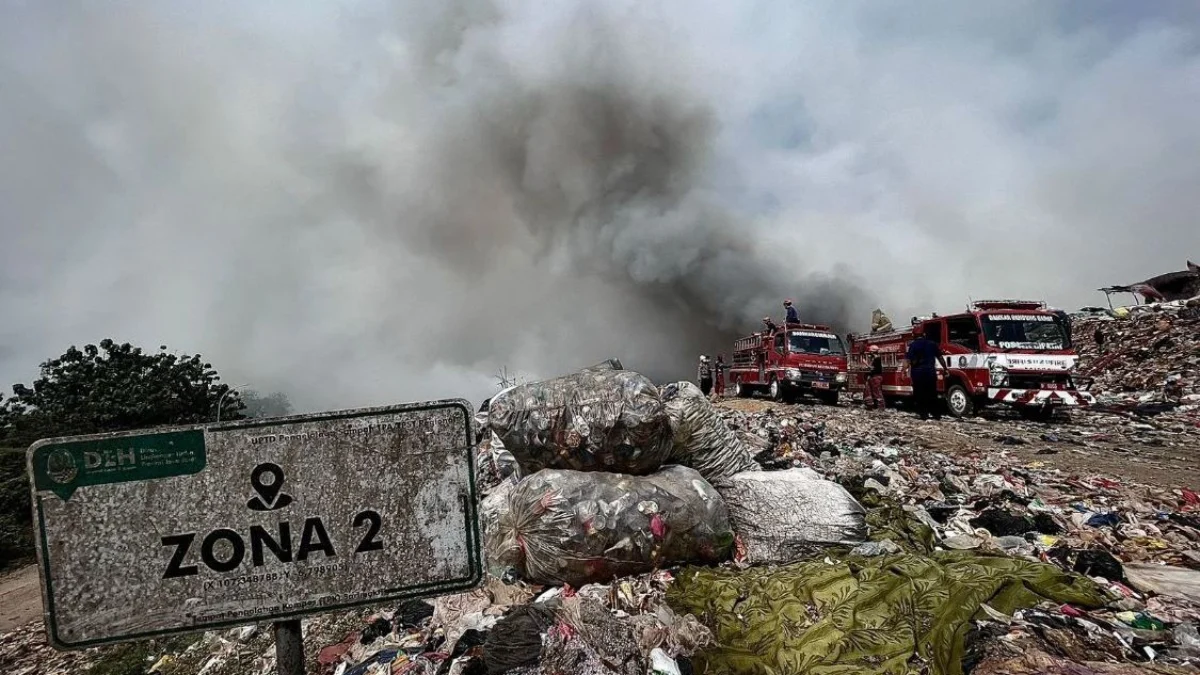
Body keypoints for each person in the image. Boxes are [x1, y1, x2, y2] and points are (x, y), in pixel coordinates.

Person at [905, 326, 949, 420]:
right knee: (932, 394)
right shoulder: (932, 344)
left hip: (918, 374)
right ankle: (936, 415)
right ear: (924, 334)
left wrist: (904, 370)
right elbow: (940, 357)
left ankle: (924, 415)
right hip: (930, 373)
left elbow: (908, 360)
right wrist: (945, 368)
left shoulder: (913, 345)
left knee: (920, 395)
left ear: (914, 335)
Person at [865, 345, 885, 410]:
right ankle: (871, 405)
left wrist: (866, 364)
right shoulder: (875, 358)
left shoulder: (877, 359)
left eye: (870, 351)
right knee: (870, 391)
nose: (869, 352)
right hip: (874, 376)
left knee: (877, 392)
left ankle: (881, 407)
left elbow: (872, 368)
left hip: (876, 377)